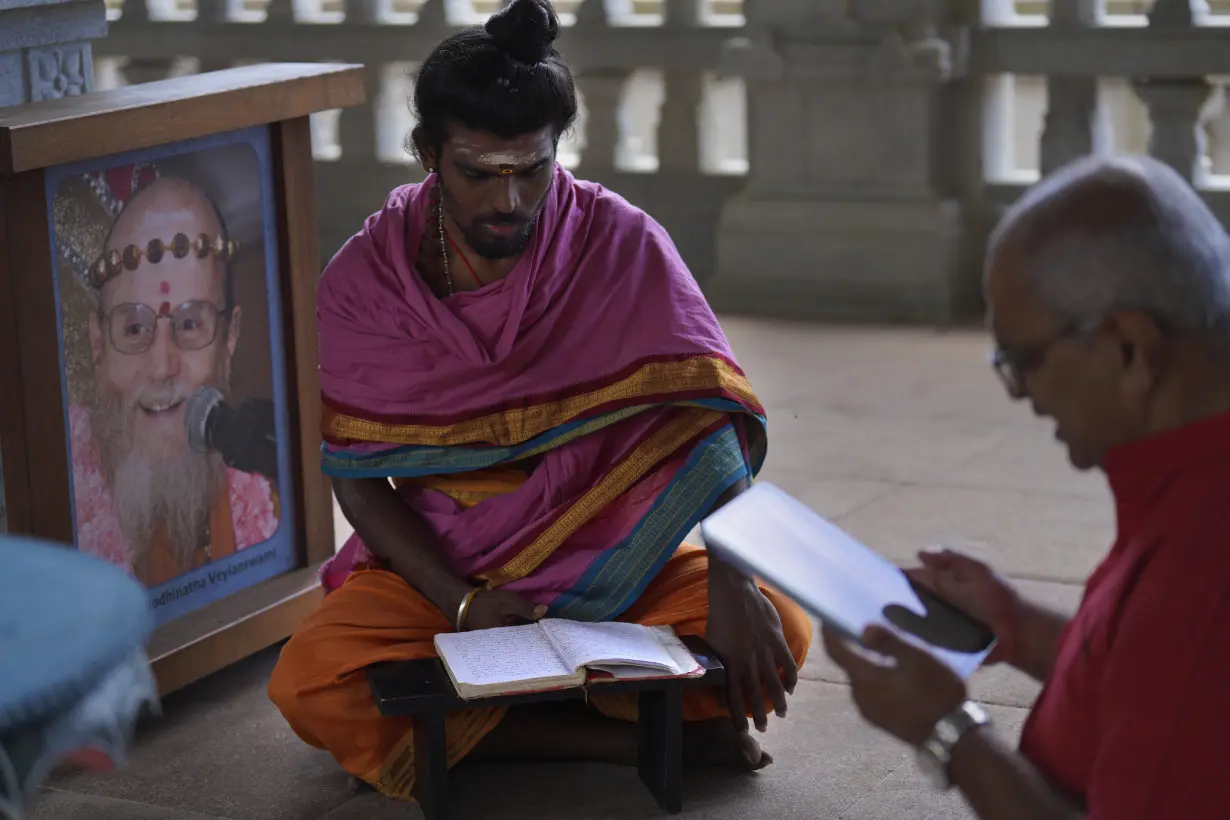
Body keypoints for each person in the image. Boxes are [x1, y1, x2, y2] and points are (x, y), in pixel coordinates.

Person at [267, 0, 812, 801]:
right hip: (449, 568)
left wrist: (732, 579)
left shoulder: (619, 239)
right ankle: (624, 741)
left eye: (532, 170)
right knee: (310, 681)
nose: (510, 201)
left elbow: (708, 416)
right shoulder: (364, 284)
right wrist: (463, 602)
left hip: (618, 549)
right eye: (478, 173)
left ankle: (481, 728)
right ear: (427, 153)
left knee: (779, 626)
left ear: (560, 151)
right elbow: (355, 477)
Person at [821, 153, 1230, 818]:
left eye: (1024, 362)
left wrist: (950, 732)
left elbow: (1176, 665)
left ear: (1130, 347)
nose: (1024, 397)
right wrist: (1020, 629)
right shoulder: (1191, 478)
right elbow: (1138, 681)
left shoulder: (1200, 574)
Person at [54, 164, 278, 587]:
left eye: (190, 324)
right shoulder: (48, 504)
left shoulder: (271, 485)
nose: (161, 367)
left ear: (229, 339)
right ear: (98, 344)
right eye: (134, 329)